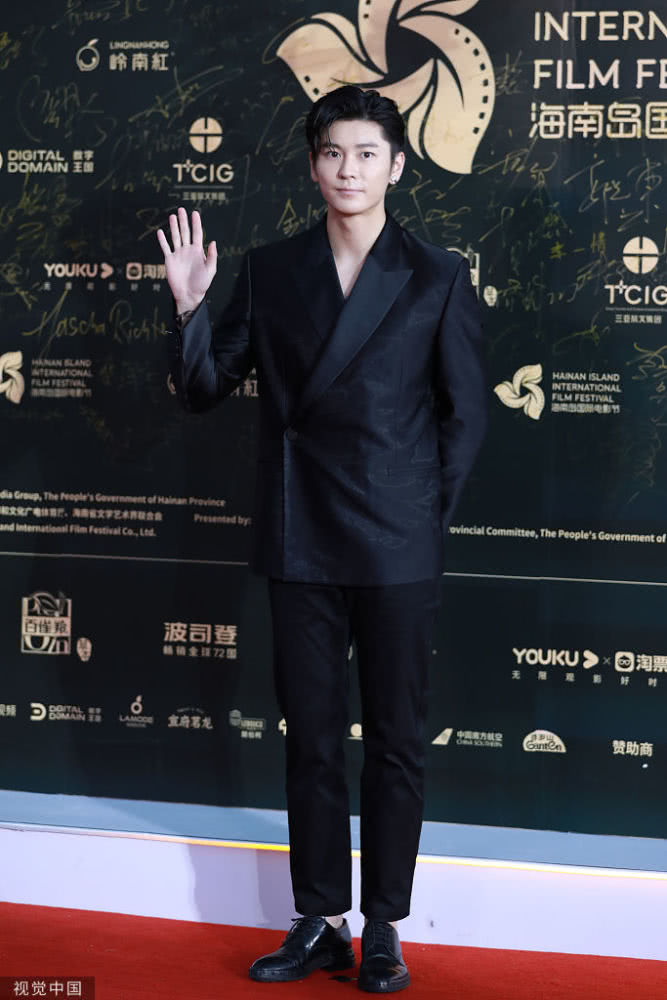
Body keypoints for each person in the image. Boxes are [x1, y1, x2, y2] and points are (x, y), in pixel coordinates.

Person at [157, 84, 486, 993]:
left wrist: (420, 520)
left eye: (366, 154)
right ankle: (319, 919)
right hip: (302, 532)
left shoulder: (436, 274)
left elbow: (465, 418)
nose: (349, 169)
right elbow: (202, 390)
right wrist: (189, 311)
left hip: (396, 542)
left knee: (395, 741)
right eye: (333, 153)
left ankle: (383, 926)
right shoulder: (270, 270)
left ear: (396, 167)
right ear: (312, 166)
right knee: (309, 738)